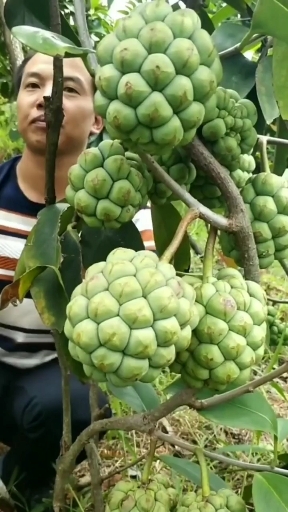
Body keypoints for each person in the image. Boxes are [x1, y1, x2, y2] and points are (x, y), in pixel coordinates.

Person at [0, 52, 112, 510]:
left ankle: (23, 475)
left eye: (68, 89)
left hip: (55, 377)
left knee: (86, 406)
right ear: (16, 104)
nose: (47, 96)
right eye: (33, 85)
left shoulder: (122, 216)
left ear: (99, 119)